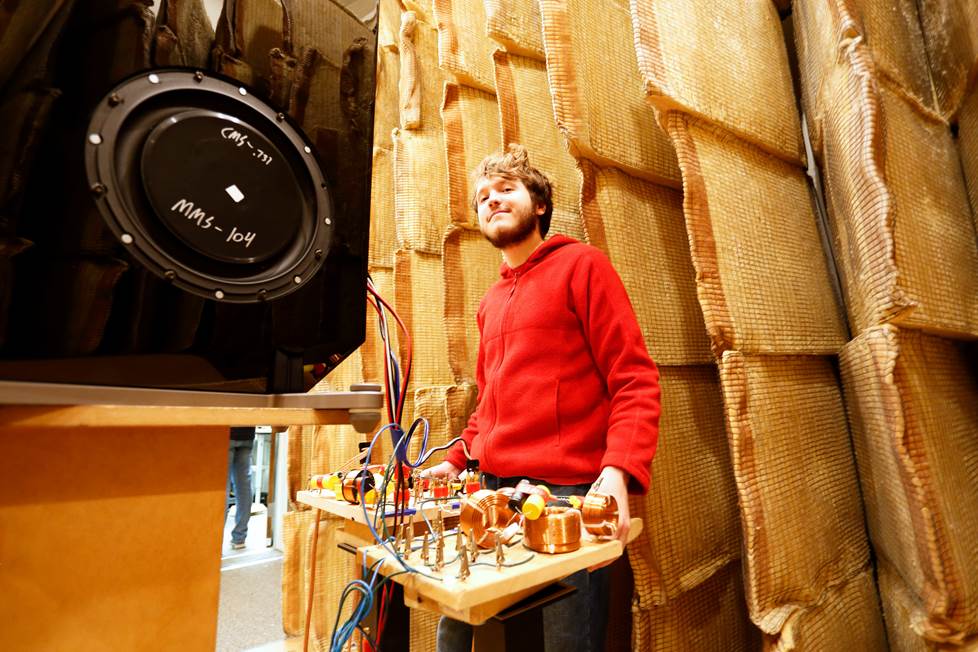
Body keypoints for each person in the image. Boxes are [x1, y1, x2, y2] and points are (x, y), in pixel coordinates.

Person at [424, 145, 661, 652]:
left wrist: (618, 472)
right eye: (482, 196)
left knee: (565, 643)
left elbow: (634, 378)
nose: (492, 200)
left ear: (540, 205)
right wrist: (456, 458)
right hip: (490, 493)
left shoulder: (583, 266)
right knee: (456, 625)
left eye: (506, 189)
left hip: (567, 496)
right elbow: (489, 402)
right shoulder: (489, 302)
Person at [226, 426, 256, 551]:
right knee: (244, 486)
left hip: (226, 432)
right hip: (247, 432)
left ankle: (215, 540)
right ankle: (239, 538)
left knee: (222, 488)